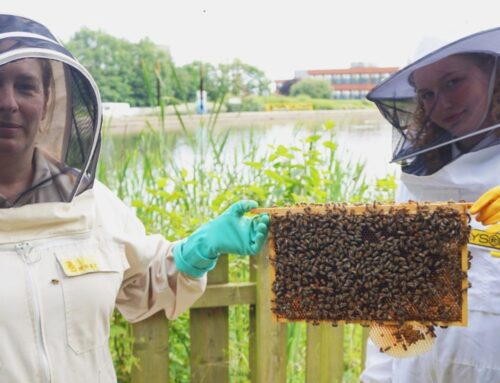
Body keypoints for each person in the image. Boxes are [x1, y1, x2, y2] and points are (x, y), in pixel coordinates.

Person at [0, 14, 269, 382]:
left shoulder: (90, 202)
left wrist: (198, 251)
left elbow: (142, 285)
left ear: (47, 101)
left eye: (26, 87)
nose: (8, 102)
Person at [361, 28, 500, 382]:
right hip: (419, 371)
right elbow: (394, 300)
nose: (441, 103)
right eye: (427, 94)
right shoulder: (421, 178)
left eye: (453, 82)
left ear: (493, 75)